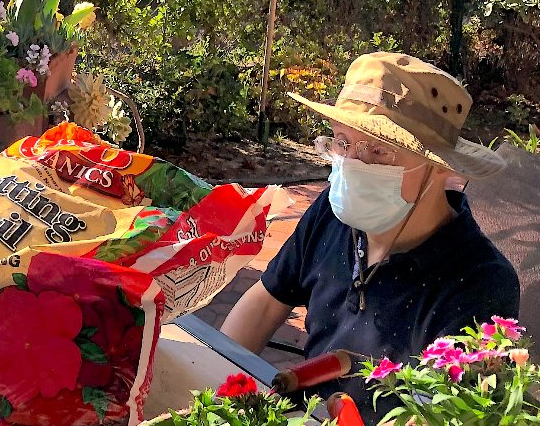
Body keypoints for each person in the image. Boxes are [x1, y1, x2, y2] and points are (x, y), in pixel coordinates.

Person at [219, 52, 520, 423]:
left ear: (440, 167)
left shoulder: (480, 285)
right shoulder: (333, 216)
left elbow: (441, 414)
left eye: (379, 150)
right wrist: (216, 393)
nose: (355, 165)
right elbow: (266, 302)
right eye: (343, 143)